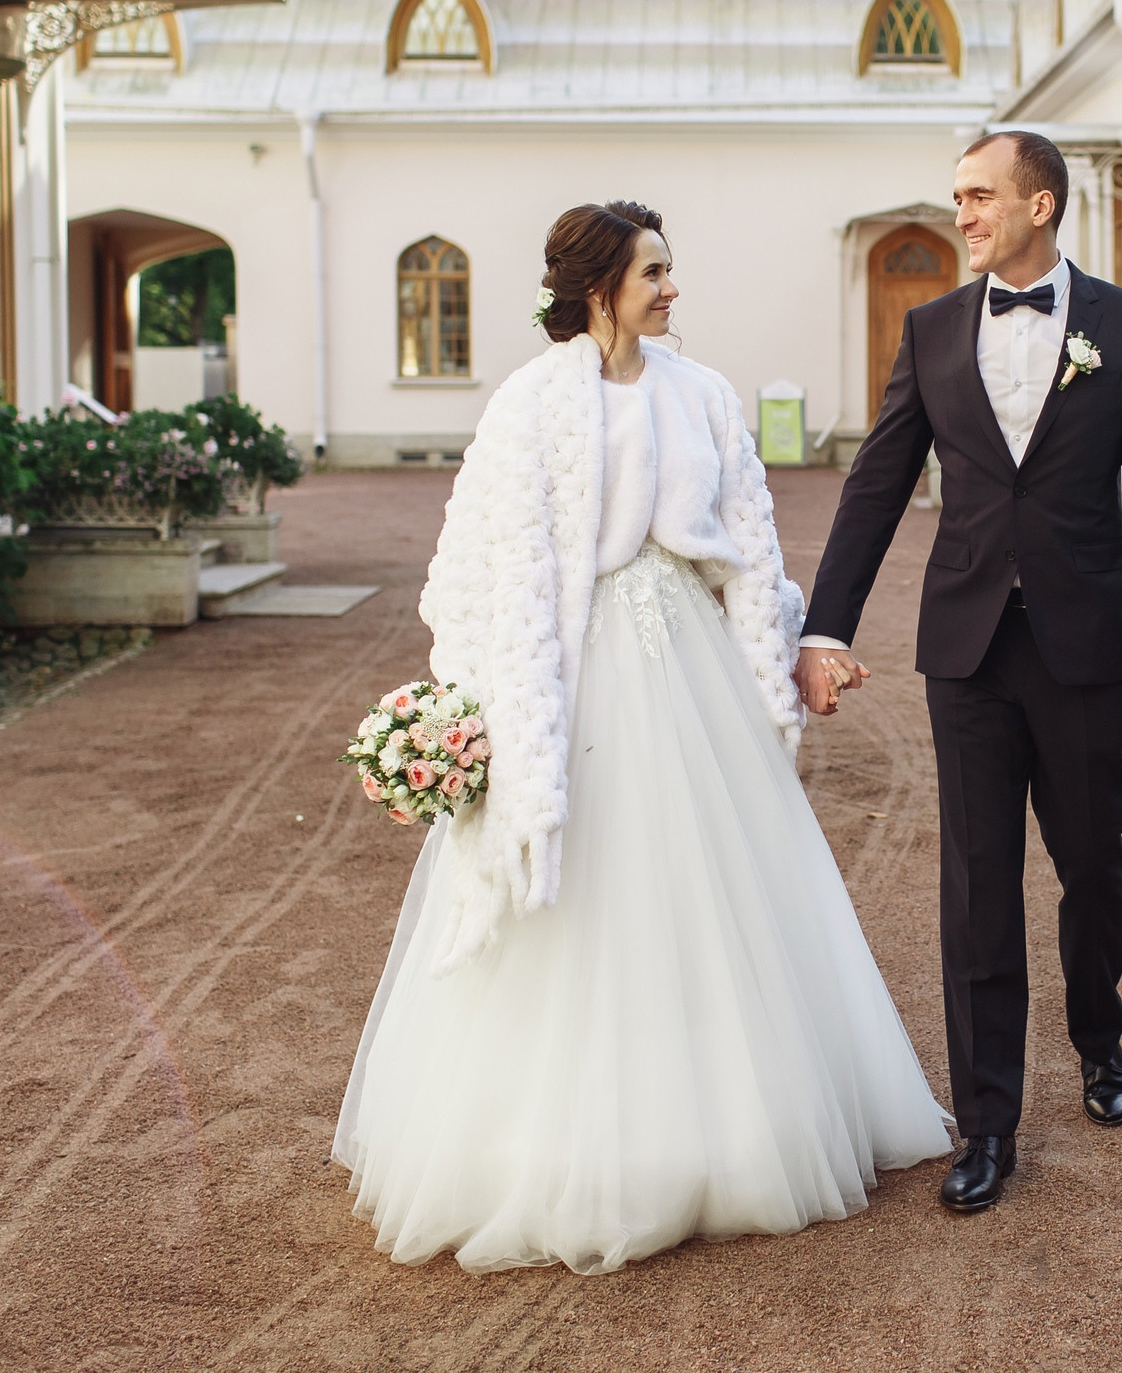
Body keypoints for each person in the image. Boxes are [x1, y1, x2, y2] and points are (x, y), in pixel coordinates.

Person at [334, 201, 952, 1274]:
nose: (672, 289)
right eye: (653, 273)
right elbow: (480, 571)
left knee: (708, 897)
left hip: (693, 679)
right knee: (582, 903)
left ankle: (727, 1133)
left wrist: (796, 643)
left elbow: (749, 549)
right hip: (572, 681)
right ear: (596, 288)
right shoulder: (526, 407)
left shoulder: (703, 395)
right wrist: (473, 715)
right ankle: (557, 1148)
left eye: (670, 269)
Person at [797, 131, 1122, 1213]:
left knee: (1090, 860)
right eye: (958, 197)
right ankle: (988, 1125)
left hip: (1083, 646)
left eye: (979, 196)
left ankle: (1099, 1043)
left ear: (1041, 203)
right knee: (975, 885)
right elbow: (876, 485)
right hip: (965, 648)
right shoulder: (928, 330)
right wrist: (822, 627)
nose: (963, 214)